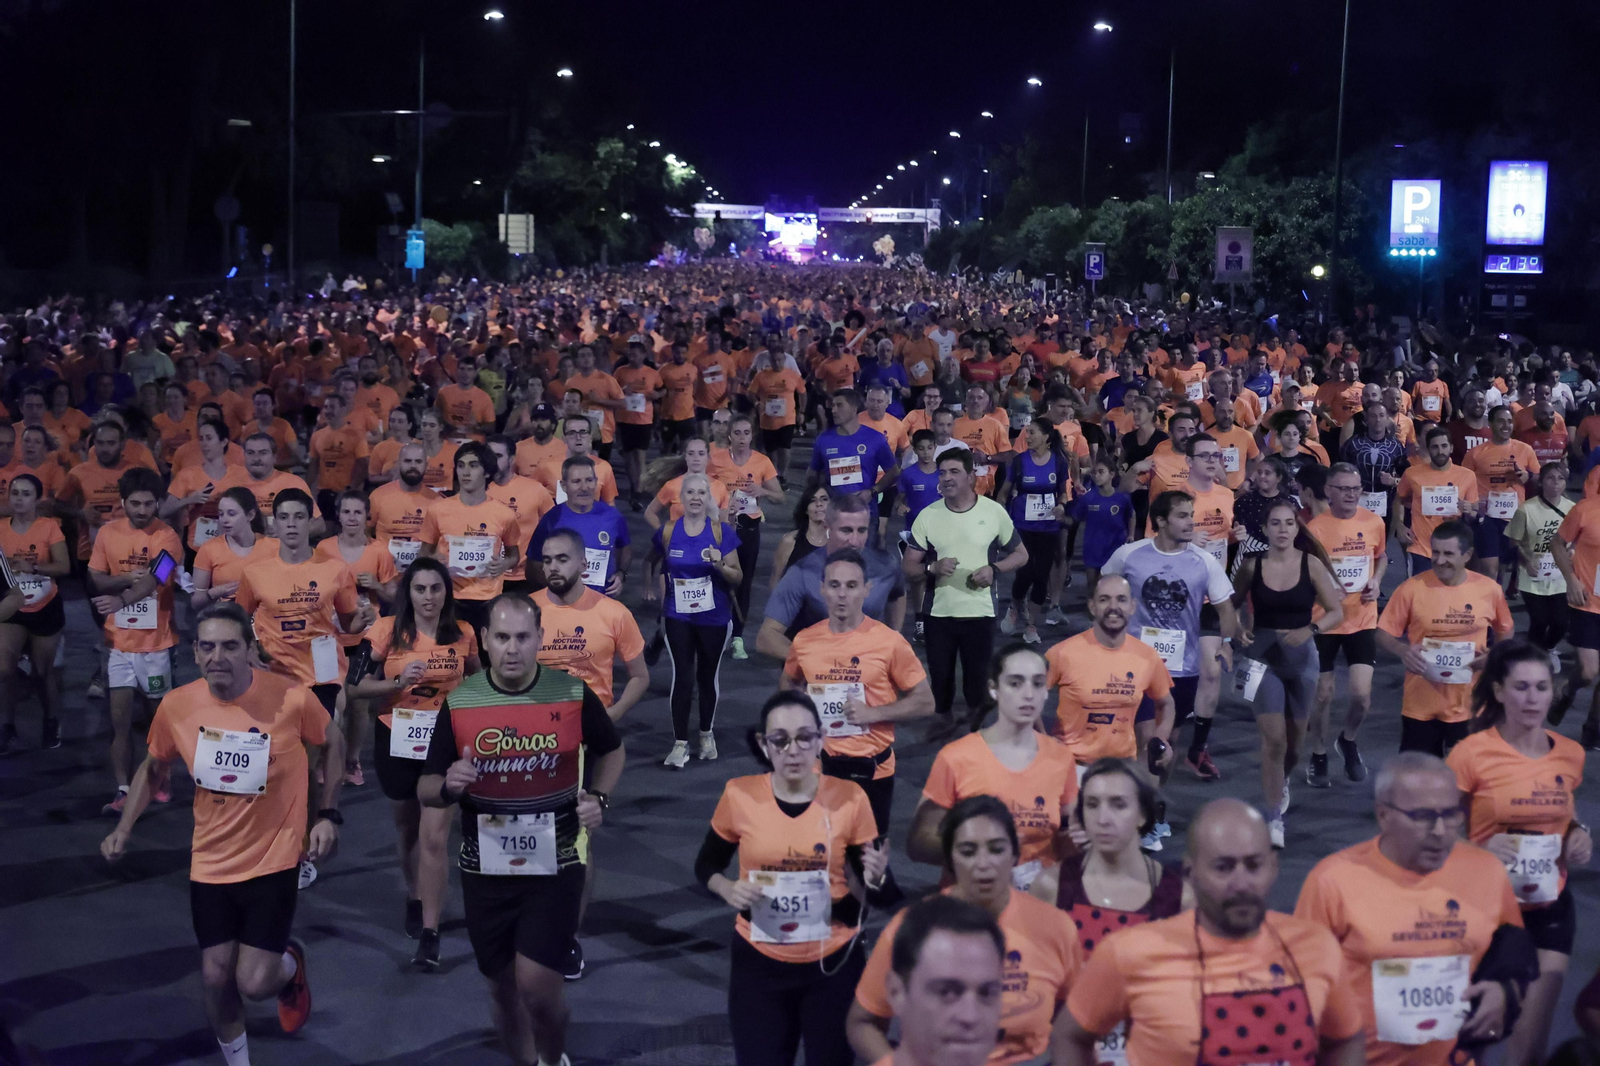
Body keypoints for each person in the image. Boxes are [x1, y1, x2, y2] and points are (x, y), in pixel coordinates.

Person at [100, 603, 343, 1061]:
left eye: (230, 646)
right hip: (211, 861)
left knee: (253, 983)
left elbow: (334, 742)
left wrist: (328, 814)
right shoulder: (178, 706)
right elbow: (153, 767)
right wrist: (124, 829)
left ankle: (288, 966)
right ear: (195, 652)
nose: (218, 657)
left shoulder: (291, 698)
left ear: (250, 650)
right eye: (208, 647)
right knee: (215, 977)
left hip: (274, 858)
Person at [419, 593, 623, 1066]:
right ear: (484, 640)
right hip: (484, 869)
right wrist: (448, 785)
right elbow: (426, 788)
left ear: (540, 639)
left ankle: (552, 1057)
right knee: (502, 991)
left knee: (537, 987)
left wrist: (599, 797)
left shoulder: (571, 693)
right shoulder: (460, 702)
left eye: (523, 637)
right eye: (502, 637)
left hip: (556, 862)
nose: (513, 649)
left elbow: (612, 750)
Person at [1052, 797, 1365, 1066]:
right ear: (1191, 873)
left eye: (1254, 865)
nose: (1241, 883)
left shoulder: (1316, 947)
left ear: (1274, 867)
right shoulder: (1130, 953)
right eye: (1223, 867)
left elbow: (1346, 1038)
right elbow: (1070, 1037)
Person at [1295, 751, 1533, 1066]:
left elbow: (1514, 951)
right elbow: (1300, 991)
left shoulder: (1487, 871)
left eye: (1451, 814)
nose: (1440, 830)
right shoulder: (1331, 882)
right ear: (1383, 815)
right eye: (1422, 816)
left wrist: (1505, 990)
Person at [694, 689, 888, 1066]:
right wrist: (727, 888)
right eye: (780, 740)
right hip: (759, 963)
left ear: (821, 739)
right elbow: (706, 865)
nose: (793, 751)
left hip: (833, 962)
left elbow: (871, 894)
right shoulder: (739, 795)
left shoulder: (850, 798)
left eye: (804, 738)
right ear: (763, 744)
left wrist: (875, 879)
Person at [852, 798, 1082, 1066]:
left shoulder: (1054, 927)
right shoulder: (913, 928)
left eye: (996, 849)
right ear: (949, 858)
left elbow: (1076, 1022)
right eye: (968, 851)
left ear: (1015, 851)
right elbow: (863, 1021)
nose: (983, 863)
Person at [1449, 640, 1590, 1066]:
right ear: (1499, 691)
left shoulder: (1570, 754)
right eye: (1521, 687)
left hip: (1549, 908)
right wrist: (1479, 849)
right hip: (1485, 910)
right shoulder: (1471, 754)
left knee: (1529, 1049)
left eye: (1542, 687)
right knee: (1470, 1039)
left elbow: (1565, 813)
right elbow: (1436, 838)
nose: (1532, 699)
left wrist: (1577, 834)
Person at [349, 556, 480, 970]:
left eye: (436, 588)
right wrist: (397, 682)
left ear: (446, 593)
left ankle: (430, 933)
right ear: (409, 593)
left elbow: (479, 681)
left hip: (443, 743)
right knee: (408, 830)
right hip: (396, 738)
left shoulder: (464, 633)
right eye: (420, 589)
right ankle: (415, 895)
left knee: (435, 837)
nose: (428, 597)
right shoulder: (386, 631)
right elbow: (353, 688)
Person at [782, 548, 934, 843]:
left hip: (872, 770)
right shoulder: (805, 641)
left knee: (868, 859)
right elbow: (789, 684)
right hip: (819, 768)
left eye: (851, 586)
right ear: (822, 589)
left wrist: (874, 713)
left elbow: (925, 701)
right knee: (819, 852)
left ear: (867, 590)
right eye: (834, 585)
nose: (842, 594)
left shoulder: (889, 642)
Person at [909, 644, 1079, 893]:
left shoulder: (1061, 757)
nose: (1028, 694)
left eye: (1037, 683)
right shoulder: (957, 757)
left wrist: (1082, 840)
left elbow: (1065, 841)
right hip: (972, 902)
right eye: (1015, 683)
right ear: (994, 689)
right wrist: (982, 849)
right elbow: (919, 844)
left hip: (1037, 900)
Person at [1103, 490, 1240, 790]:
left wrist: (1227, 642)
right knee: (1146, 738)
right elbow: (1104, 590)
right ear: (1161, 521)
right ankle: (1145, 806)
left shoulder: (1204, 561)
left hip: (1183, 667)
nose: (1191, 522)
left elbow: (1225, 608)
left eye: (1191, 515)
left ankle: (1155, 798)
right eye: (1182, 516)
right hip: (1135, 664)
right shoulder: (1128, 555)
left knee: (1168, 743)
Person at [1230, 500, 1345, 848]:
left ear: (1297, 528)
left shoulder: (1311, 565)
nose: (1282, 529)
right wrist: (1237, 630)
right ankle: (1272, 818)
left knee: (1294, 746)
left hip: (1302, 660)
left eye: (1289, 523)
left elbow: (1336, 612)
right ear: (1265, 530)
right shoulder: (1252, 566)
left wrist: (1311, 629)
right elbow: (1230, 605)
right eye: (1276, 523)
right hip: (1263, 658)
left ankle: (1282, 783)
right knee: (1275, 741)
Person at [902, 450, 1027, 736]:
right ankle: (945, 720)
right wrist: (932, 567)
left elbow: (1021, 555)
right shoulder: (928, 516)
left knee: (977, 680)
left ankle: (975, 729)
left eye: (954, 472)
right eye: (942, 472)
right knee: (941, 677)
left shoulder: (993, 512)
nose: (946, 478)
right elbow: (908, 567)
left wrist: (994, 569)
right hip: (938, 613)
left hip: (980, 613)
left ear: (971, 477)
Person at [88, 466, 184, 813]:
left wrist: (123, 597)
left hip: (156, 645)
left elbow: (157, 577)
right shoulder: (107, 533)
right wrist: (127, 578)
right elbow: (96, 577)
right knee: (120, 722)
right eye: (135, 504)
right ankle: (124, 789)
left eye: (148, 504)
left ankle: (161, 776)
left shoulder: (169, 537)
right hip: (118, 645)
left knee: (158, 721)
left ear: (158, 502)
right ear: (123, 501)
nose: (142, 510)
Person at [1377, 520, 1514, 756]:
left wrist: (1493, 656)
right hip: (1421, 703)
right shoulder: (1411, 588)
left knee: (1466, 772)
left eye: (1448, 554)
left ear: (1467, 555)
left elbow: (1506, 629)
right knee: (1419, 773)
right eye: (1436, 552)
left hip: (1471, 703)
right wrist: (1403, 651)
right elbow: (1382, 633)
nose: (1440, 561)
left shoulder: (1489, 589)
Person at [236, 489, 375, 719]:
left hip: (322, 670)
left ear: (310, 522)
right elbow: (238, 621)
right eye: (284, 517)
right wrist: (250, 651)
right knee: (281, 735)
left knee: (324, 734)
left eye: (299, 517)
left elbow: (349, 624)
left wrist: (363, 619)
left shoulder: (336, 569)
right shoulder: (253, 573)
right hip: (275, 668)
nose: (291, 524)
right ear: (274, 523)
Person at [1046, 572, 1176, 787]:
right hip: (1072, 770)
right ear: (1092, 607)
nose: (1113, 607)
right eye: (1104, 599)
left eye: (1121, 599)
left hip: (1122, 770)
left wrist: (1161, 737)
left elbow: (1166, 703)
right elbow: (1026, 695)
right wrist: (1040, 740)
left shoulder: (1147, 657)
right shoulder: (1062, 653)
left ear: (1132, 607)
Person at [652, 472, 742, 768]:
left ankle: (706, 734)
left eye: (701, 493)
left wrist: (719, 564)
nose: (695, 498)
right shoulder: (668, 531)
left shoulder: (721, 532)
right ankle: (680, 743)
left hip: (714, 616)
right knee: (683, 676)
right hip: (678, 614)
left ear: (708, 498)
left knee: (707, 676)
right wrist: (655, 593)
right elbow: (655, 563)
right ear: (680, 498)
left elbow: (737, 577)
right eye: (689, 492)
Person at [1305, 462, 1387, 786]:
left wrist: (1377, 581)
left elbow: (1381, 556)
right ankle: (1318, 753)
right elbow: (1304, 574)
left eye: (1355, 489)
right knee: (1323, 694)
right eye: (1344, 489)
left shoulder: (1374, 522)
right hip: (1324, 618)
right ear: (1329, 491)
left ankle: (1348, 739)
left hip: (1362, 616)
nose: (1351, 495)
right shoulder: (1315, 529)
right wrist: (1323, 589)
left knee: (1362, 697)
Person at [758, 494, 907, 660]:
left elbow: (897, 595)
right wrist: (816, 663)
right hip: (816, 673)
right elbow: (767, 637)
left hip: (870, 670)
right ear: (827, 528)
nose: (855, 541)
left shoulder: (886, 566)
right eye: (846, 530)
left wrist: (894, 636)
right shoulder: (802, 572)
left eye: (861, 530)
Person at [532, 529, 649, 724]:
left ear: (583, 565)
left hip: (592, 723)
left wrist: (615, 712)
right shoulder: (527, 611)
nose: (553, 567)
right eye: (547, 561)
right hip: (537, 723)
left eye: (562, 560)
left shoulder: (615, 613)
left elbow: (640, 676)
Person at [418, 441, 522, 635]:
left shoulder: (504, 514)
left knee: (485, 651)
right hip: (449, 598)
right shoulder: (437, 510)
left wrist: (503, 564)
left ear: (487, 472)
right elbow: (422, 555)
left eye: (473, 466)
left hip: (489, 599)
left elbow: (513, 555)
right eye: (461, 465)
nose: (465, 472)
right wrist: (434, 561)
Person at [0, 474, 68, 752]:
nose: (19, 499)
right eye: (15, 493)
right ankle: (7, 726)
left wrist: (34, 568)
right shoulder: (1, 528)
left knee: (42, 672)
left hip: (44, 606)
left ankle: (51, 720)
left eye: (26, 494)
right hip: (11, 606)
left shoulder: (49, 526)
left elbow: (63, 567)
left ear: (37, 499)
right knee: (4, 670)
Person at [710, 413, 783, 658]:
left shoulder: (762, 462)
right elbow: (704, 491)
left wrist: (763, 490)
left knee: (744, 582)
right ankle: (718, 630)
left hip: (749, 529)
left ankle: (738, 638)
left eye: (747, 433)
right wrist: (720, 505)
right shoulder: (715, 461)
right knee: (719, 577)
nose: (742, 438)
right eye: (737, 433)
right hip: (722, 530)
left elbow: (780, 497)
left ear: (753, 435)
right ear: (729, 435)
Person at [999, 417, 1071, 643]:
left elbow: (1063, 492)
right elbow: (1004, 492)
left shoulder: (1059, 462)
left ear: (1046, 437)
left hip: (1048, 526)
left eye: (1032, 432)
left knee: (1041, 575)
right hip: (1023, 525)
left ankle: (1031, 626)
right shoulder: (1019, 461)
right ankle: (1015, 605)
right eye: (1026, 432)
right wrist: (1000, 515)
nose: (1027, 436)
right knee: (1025, 572)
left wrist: (1061, 505)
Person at [527, 456, 631, 597]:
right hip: (562, 601)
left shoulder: (613, 516)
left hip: (601, 601)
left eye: (589, 480)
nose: (584, 488)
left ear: (596, 482)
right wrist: (558, 588)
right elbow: (532, 567)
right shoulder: (551, 519)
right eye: (576, 482)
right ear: (564, 486)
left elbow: (624, 547)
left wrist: (621, 573)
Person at [1463, 405, 1540, 583]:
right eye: (1500, 421)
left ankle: (1502, 595)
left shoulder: (1525, 449)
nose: (1506, 426)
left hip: (1516, 516)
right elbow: (1464, 482)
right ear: (1490, 424)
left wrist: (1528, 476)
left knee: (1511, 565)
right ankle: (1490, 598)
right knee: (1490, 567)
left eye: (1509, 421)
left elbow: (1539, 478)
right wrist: (1471, 507)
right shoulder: (1476, 453)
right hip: (1487, 517)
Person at [1507, 462, 1571, 671]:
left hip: (1561, 575)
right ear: (1541, 482)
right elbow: (1514, 541)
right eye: (1551, 478)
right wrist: (1527, 560)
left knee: (1561, 622)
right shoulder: (1526, 509)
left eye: (1560, 479)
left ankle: (1548, 648)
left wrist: (1572, 552)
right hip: (1532, 576)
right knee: (1540, 620)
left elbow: (1577, 538)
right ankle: (1534, 660)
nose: (1556, 483)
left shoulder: (1572, 509)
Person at [1396, 425, 1481, 577]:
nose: (1440, 451)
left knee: (1448, 591)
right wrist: (1399, 525)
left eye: (1444, 446)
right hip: (1420, 548)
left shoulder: (1467, 476)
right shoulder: (1411, 474)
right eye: (1435, 447)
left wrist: (1469, 511)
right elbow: (1398, 499)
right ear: (1428, 449)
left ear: (1451, 448)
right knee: (1420, 591)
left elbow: (1474, 513)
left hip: (1453, 549)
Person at [1552, 487, 1600, 748]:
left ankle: (1593, 728)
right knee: (1588, 672)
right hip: (1587, 601)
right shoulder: (1585, 508)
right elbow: (1556, 543)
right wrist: (1571, 579)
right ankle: (1567, 690)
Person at [1067, 454, 1134, 608]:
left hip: (1114, 547)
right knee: (1093, 584)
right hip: (1092, 547)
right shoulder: (1088, 498)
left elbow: (1131, 515)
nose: (1096, 476)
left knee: (1113, 585)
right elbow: (1074, 518)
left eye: (1101, 472)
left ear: (1112, 474)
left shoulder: (1122, 498)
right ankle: (1093, 616)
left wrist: (1130, 535)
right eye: (1094, 473)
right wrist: (1061, 519)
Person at [191, 487, 273, 609]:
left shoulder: (273, 547)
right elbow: (195, 603)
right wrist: (214, 593)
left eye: (231, 514)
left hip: (264, 616)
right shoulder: (209, 548)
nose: (224, 520)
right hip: (224, 615)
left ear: (250, 515)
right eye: (221, 514)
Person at [644, 437, 731, 528]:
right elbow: (650, 512)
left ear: (708, 457)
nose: (696, 458)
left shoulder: (720, 487)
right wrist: (664, 533)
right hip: (678, 537)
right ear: (685, 457)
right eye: (691, 453)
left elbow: (724, 522)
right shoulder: (672, 485)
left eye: (701, 454)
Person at [773, 484, 830, 587]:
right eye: (813, 500)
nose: (819, 504)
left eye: (824, 499)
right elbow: (776, 579)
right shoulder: (790, 541)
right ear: (806, 509)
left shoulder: (838, 541)